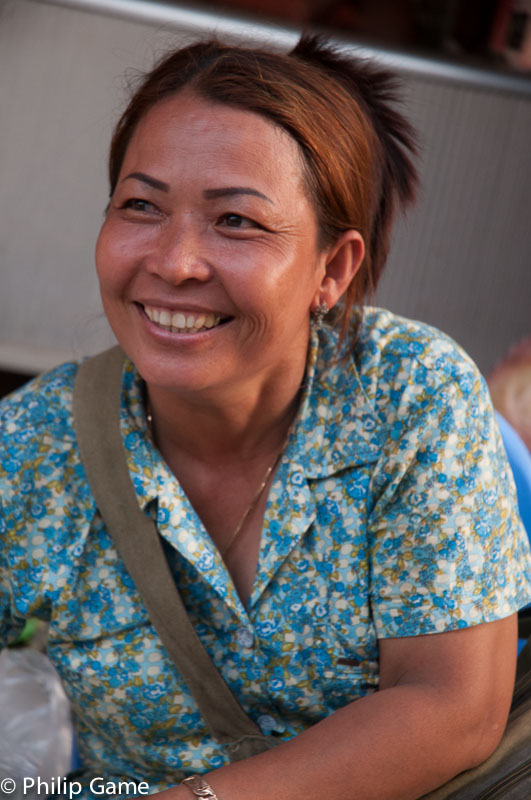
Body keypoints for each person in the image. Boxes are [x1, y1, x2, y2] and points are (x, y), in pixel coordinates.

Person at [1, 35, 530, 800]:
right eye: (141, 205)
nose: (175, 261)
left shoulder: (406, 394)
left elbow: (452, 707)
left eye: (237, 222)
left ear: (332, 268)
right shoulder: (34, 446)